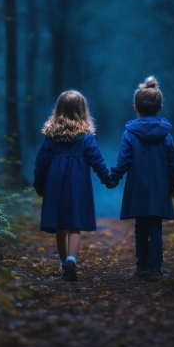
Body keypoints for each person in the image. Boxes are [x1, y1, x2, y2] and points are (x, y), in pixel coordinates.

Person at [33, 89, 111, 281]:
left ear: (58, 111)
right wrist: (108, 178)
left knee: (60, 225)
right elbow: (97, 160)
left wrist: (39, 185)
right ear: (82, 111)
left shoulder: (51, 138)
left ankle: (63, 263)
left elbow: (41, 163)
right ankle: (71, 260)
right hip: (78, 184)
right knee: (74, 225)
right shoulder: (85, 138)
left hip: (55, 184)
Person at [108, 76, 174, 281]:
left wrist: (112, 178)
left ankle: (141, 267)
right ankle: (155, 268)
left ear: (135, 108)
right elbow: (172, 164)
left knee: (141, 226)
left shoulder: (130, 133)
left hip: (138, 187)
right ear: (160, 107)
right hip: (160, 187)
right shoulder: (166, 135)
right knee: (155, 226)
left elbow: (124, 160)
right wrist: (173, 187)